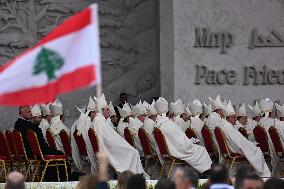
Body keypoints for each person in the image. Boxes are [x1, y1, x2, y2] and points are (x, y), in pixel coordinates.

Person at [92, 94, 149, 178]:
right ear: (101, 110)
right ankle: (133, 179)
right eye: (107, 110)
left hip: (108, 148)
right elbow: (111, 141)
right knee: (133, 153)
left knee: (133, 152)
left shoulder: (98, 120)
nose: (109, 112)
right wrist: (126, 147)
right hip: (109, 150)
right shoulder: (100, 121)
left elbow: (111, 139)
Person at [154, 97, 212, 175]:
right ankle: (205, 173)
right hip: (177, 151)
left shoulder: (158, 125)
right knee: (202, 149)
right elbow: (181, 142)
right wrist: (190, 142)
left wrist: (189, 141)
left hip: (168, 151)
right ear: (167, 113)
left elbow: (176, 139)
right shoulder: (169, 124)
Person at [219, 101, 271, 177]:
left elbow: (238, 141)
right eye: (233, 117)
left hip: (232, 149)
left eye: (235, 117)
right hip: (235, 150)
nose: (236, 120)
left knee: (254, 148)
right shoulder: (228, 127)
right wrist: (250, 145)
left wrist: (249, 144)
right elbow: (239, 142)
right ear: (227, 118)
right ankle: (263, 175)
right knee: (257, 151)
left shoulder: (226, 126)